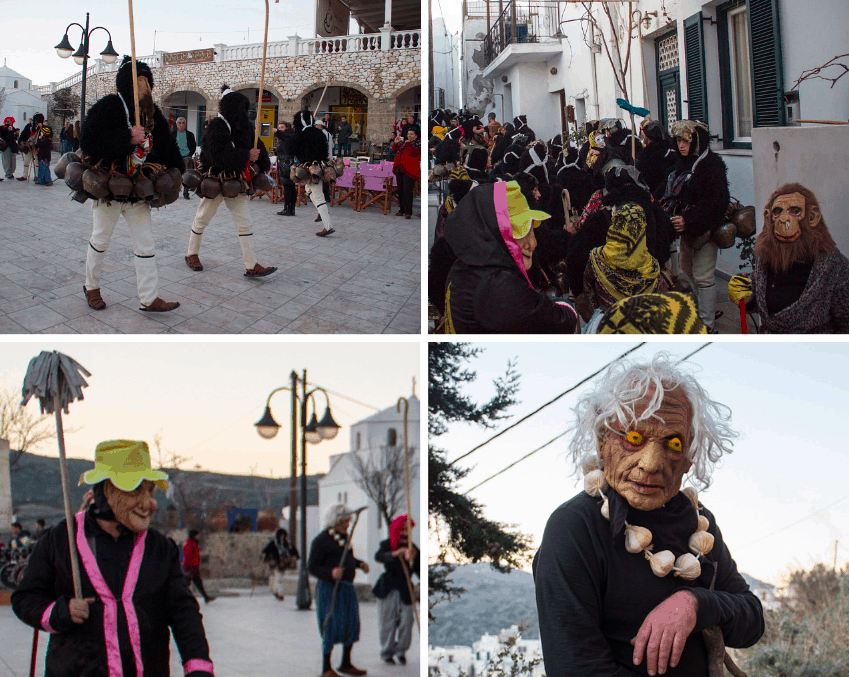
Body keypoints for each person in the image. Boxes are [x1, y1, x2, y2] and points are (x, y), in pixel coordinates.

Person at [534, 357, 764, 676]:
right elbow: (577, 667)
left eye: (672, 443)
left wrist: (695, 604)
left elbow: (751, 624)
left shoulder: (699, 519)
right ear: (603, 442)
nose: (651, 463)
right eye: (634, 438)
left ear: (688, 459)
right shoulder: (574, 527)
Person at [12, 439, 215, 677]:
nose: (149, 503)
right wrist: (60, 611)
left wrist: (198, 667)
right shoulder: (59, 541)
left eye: (149, 490)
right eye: (135, 490)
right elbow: (25, 599)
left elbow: (184, 612)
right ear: (107, 491)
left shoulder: (160, 549)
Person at [79, 56, 182, 312]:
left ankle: (149, 298)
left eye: (147, 79)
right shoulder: (109, 106)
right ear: (127, 82)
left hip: (139, 189)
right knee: (100, 240)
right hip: (110, 188)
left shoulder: (152, 113)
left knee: (145, 244)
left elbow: (167, 146)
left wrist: (179, 171)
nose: (143, 85)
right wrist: (127, 136)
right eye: (139, 79)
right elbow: (89, 140)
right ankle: (91, 287)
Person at [443, 180, 579, 333]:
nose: (533, 244)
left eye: (531, 231)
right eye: (519, 233)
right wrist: (565, 305)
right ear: (494, 234)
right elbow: (561, 321)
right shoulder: (500, 285)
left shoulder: (464, 266)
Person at [727, 183, 849, 333]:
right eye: (778, 211)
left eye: (795, 211)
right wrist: (748, 298)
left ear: (812, 217)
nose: (784, 219)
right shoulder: (765, 257)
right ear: (768, 217)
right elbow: (767, 304)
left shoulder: (833, 265)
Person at [186, 85, 277, 277]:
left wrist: (259, 157)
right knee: (202, 218)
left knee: (245, 223)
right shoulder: (216, 126)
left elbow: (256, 146)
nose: (243, 113)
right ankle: (191, 253)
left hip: (236, 182)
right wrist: (245, 155)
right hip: (215, 180)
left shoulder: (245, 128)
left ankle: (251, 265)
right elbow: (218, 154)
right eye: (240, 109)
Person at [660, 120, 729, 333]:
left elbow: (717, 201)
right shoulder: (684, 164)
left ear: (697, 140)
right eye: (678, 140)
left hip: (706, 229)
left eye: (686, 140)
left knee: (703, 275)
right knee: (687, 271)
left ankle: (707, 324)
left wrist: (689, 219)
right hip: (687, 230)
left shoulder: (711, 165)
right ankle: (702, 310)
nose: (681, 145)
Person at [308, 504, 369, 677]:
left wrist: (359, 564)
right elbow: (312, 566)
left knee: (351, 623)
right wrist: (331, 573)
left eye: (348, 522)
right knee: (331, 624)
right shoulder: (321, 541)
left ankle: (346, 663)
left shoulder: (345, 539)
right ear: (334, 521)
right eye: (343, 522)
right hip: (330, 589)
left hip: (347, 589)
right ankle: (326, 668)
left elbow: (348, 558)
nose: (346, 525)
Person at [373, 515, 419, 666]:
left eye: (408, 529)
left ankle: (401, 651)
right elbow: (378, 556)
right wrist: (396, 554)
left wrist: (412, 560)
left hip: (406, 590)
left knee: (407, 621)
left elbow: (420, 571)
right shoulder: (387, 545)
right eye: (403, 529)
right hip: (388, 588)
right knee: (387, 622)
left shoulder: (414, 549)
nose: (406, 532)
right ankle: (387, 652)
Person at [293, 109, 336, 238]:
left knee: (317, 195)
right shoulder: (321, 134)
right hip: (320, 165)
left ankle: (328, 225)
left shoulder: (302, 135)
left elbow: (291, 149)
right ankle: (320, 210)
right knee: (309, 191)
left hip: (310, 167)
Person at [261, 527, 299, 600]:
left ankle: (276, 591)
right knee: (279, 578)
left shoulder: (285, 544)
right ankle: (280, 593)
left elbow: (294, 552)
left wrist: (294, 557)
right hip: (277, 563)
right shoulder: (277, 543)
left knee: (278, 577)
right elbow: (265, 550)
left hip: (282, 564)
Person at [392, 128, 420, 220]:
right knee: (400, 190)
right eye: (408, 134)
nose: (409, 136)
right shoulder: (405, 143)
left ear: (416, 135)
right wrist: (395, 143)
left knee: (407, 191)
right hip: (400, 169)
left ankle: (408, 212)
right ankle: (402, 209)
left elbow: (413, 153)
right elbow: (395, 150)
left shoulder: (417, 143)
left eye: (412, 134)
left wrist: (407, 143)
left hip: (410, 170)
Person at [182, 529, 215, 604]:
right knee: (187, 583)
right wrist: (189, 566)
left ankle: (206, 597)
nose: (198, 537)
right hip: (190, 567)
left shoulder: (193, 543)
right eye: (197, 535)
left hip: (193, 566)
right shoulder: (190, 544)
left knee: (197, 582)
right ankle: (181, 599)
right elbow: (187, 555)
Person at [274, 122, 298, 217]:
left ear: (287, 128)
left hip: (286, 164)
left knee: (288, 187)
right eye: (279, 127)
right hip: (285, 164)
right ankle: (290, 209)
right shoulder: (285, 137)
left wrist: (278, 132)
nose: (280, 129)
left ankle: (288, 209)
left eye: (282, 127)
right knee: (290, 187)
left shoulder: (289, 136)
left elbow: (285, 137)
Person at [171, 117, 197, 199]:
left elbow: (193, 146)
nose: (181, 125)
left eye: (183, 123)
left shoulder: (190, 135)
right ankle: (174, 191)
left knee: (187, 172)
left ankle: (186, 192)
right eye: (179, 123)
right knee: (175, 172)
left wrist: (189, 153)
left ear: (185, 124)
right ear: (176, 124)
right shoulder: (172, 134)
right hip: (176, 156)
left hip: (186, 156)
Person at [17, 113, 43, 181]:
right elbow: (23, 134)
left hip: (36, 147)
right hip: (28, 146)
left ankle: (37, 176)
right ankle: (25, 175)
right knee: (26, 161)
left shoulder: (42, 128)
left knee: (36, 162)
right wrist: (21, 141)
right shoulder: (28, 126)